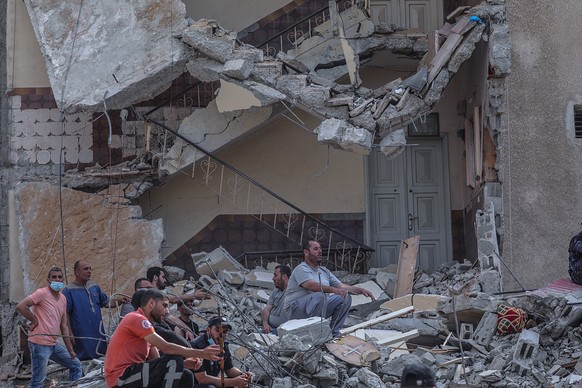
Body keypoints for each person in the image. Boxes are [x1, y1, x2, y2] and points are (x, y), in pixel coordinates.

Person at [104, 289, 222, 388]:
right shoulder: (136, 318)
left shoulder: (148, 329)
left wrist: (183, 364)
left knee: (186, 375)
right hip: (120, 378)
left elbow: (157, 361)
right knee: (174, 360)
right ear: (151, 303)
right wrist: (202, 353)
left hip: (132, 376)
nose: (167, 311)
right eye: (164, 305)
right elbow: (166, 348)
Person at [284, 240, 375, 337]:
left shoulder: (324, 271)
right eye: (315, 249)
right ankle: (318, 333)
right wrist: (334, 290)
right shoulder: (301, 269)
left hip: (317, 308)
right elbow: (311, 285)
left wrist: (361, 290)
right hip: (296, 311)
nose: (320, 251)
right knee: (319, 295)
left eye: (320, 248)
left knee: (345, 297)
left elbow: (342, 286)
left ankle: (333, 334)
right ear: (306, 252)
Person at [16, 267, 83, 388]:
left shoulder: (63, 299)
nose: (57, 279)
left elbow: (64, 326)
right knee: (38, 381)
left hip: (53, 344)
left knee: (76, 365)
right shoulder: (42, 293)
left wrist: (71, 350)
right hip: (39, 344)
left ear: (63, 279)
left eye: (60, 277)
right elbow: (21, 306)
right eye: (54, 277)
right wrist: (34, 319)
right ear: (48, 279)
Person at [62, 260, 129, 360]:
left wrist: (119, 301)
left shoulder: (94, 287)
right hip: (81, 333)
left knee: (101, 357)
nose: (89, 271)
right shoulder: (68, 291)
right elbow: (65, 314)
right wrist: (69, 333)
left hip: (98, 332)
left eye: (90, 269)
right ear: (77, 272)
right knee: (84, 360)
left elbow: (106, 303)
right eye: (85, 269)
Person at [190, 316, 253, 387]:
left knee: (242, 383)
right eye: (217, 331)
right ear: (208, 330)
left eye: (224, 332)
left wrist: (243, 375)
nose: (221, 335)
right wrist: (233, 382)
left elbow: (229, 369)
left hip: (211, 381)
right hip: (192, 384)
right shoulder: (196, 346)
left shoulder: (223, 346)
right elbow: (202, 379)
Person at [261, 265, 291, 334]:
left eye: (275, 275)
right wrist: (265, 323)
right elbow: (267, 309)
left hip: (282, 331)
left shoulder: (292, 292)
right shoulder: (275, 291)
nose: (273, 278)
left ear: (284, 277)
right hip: (269, 328)